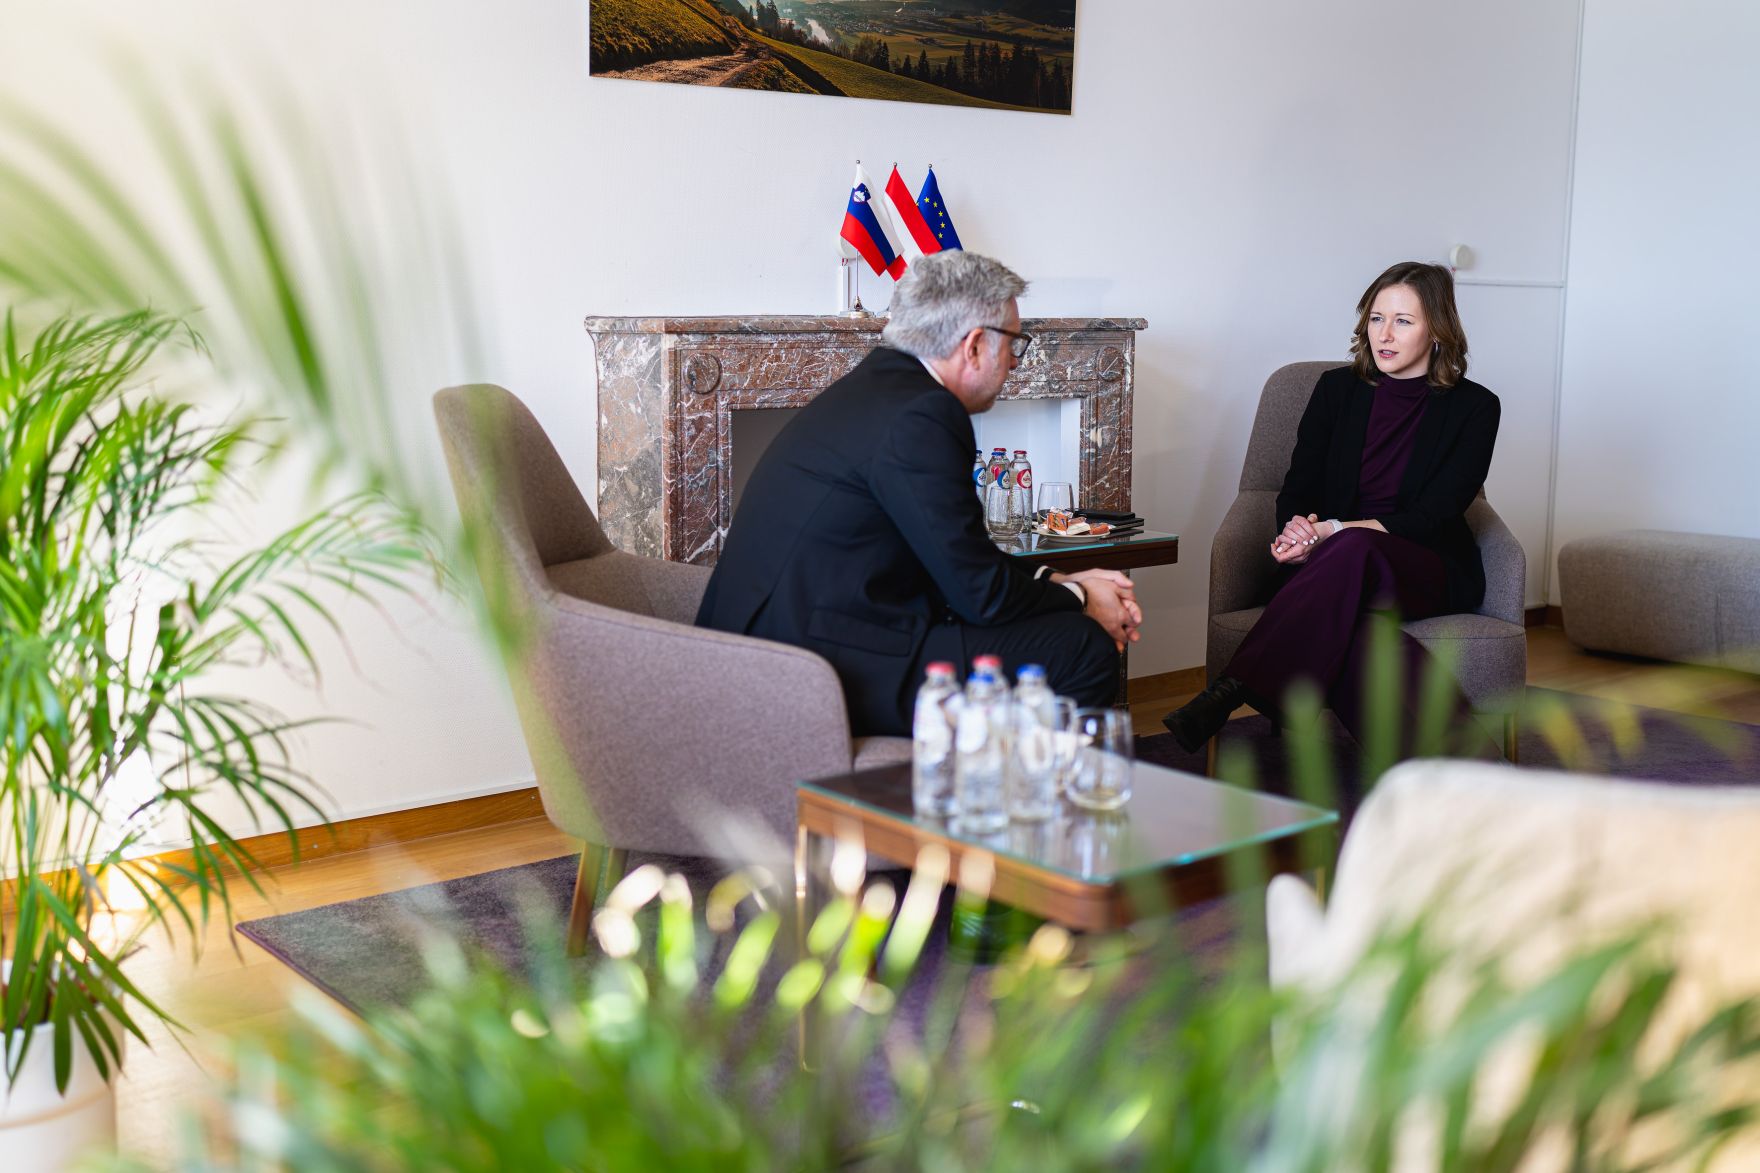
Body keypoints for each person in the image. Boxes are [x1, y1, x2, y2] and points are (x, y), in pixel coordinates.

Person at [695, 251, 1143, 738]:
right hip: (811, 666)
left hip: (783, 637)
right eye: (1014, 342)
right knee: (1081, 647)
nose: (1016, 361)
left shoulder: (882, 388)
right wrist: (1082, 598)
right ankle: (1013, 786)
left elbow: (958, 556)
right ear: (974, 346)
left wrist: (1056, 577)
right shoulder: (923, 415)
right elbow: (982, 596)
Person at [1162, 261, 1502, 756]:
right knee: (1358, 632)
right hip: (1332, 565)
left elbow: (1434, 515)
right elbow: (1297, 487)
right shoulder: (1335, 390)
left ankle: (1235, 687)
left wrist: (1333, 531)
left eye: (1403, 321)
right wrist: (1297, 533)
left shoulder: (1476, 407)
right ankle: (1456, 772)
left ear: (1437, 331)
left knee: (1355, 544)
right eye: (1376, 318)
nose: (1384, 334)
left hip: (1423, 565)